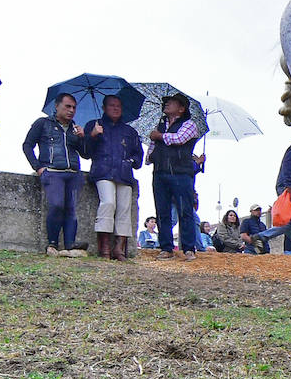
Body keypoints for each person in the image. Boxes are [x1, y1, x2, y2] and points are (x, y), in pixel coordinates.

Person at [22, 92, 87, 256]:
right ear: (57, 106)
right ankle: (52, 243)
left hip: (73, 172)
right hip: (52, 171)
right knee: (57, 205)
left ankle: (70, 244)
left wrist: (83, 138)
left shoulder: (75, 128)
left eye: (74, 107)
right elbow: (27, 145)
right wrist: (38, 167)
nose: (71, 110)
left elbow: (86, 154)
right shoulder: (43, 123)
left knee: (71, 208)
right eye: (67, 106)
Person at [81, 94, 142, 261]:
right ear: (104, 108)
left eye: (118, 106)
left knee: (124, 208)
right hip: (103, 171)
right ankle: (105, 246)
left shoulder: (130, 131)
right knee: (108, 203)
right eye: (111, 105)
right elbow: (85, 152)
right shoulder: (93, 125)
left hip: (124, 173)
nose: (115, 108)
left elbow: (139, 157)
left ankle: (119, 248)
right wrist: (92, 135)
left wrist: (130, 162)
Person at [145, 92, 202, 262]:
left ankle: (189, 248)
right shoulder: (160, 125)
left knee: (185, 211)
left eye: (171, 102)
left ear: (181, 108)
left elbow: (179, 139)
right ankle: (166, 247)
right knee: (162, 211)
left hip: (181, 173)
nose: (167, 104)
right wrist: (150, 158)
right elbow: (153, 145)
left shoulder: (189, 124)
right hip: (160, 172)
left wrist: (159, 136)